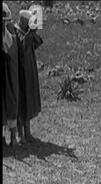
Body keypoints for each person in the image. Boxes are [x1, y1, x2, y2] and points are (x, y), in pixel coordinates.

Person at [15, 9, 43, 144]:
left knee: (29, 101)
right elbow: (21, 48)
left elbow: (37, 44)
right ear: (23, 21)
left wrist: (34, 32)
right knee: (21, 102)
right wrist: (28, 35)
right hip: (20, 72)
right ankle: (21, 134)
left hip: (29, 71)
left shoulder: (26, 32)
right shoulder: (16, 31)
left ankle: (28, 132)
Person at [2, 3, 19, 147]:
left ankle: (13, 137)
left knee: (10, 101)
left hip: (8, 74)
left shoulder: (9, 35)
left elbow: (10, 51)